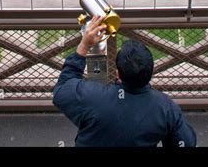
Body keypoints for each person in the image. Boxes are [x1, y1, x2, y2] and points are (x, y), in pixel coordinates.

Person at [53, 17, 197, 147]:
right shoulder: (165, 108)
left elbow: (61, 91)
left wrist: (84, 45)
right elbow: (186, 143)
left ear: (117, 72)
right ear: (150, 72)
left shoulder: (90, 97)